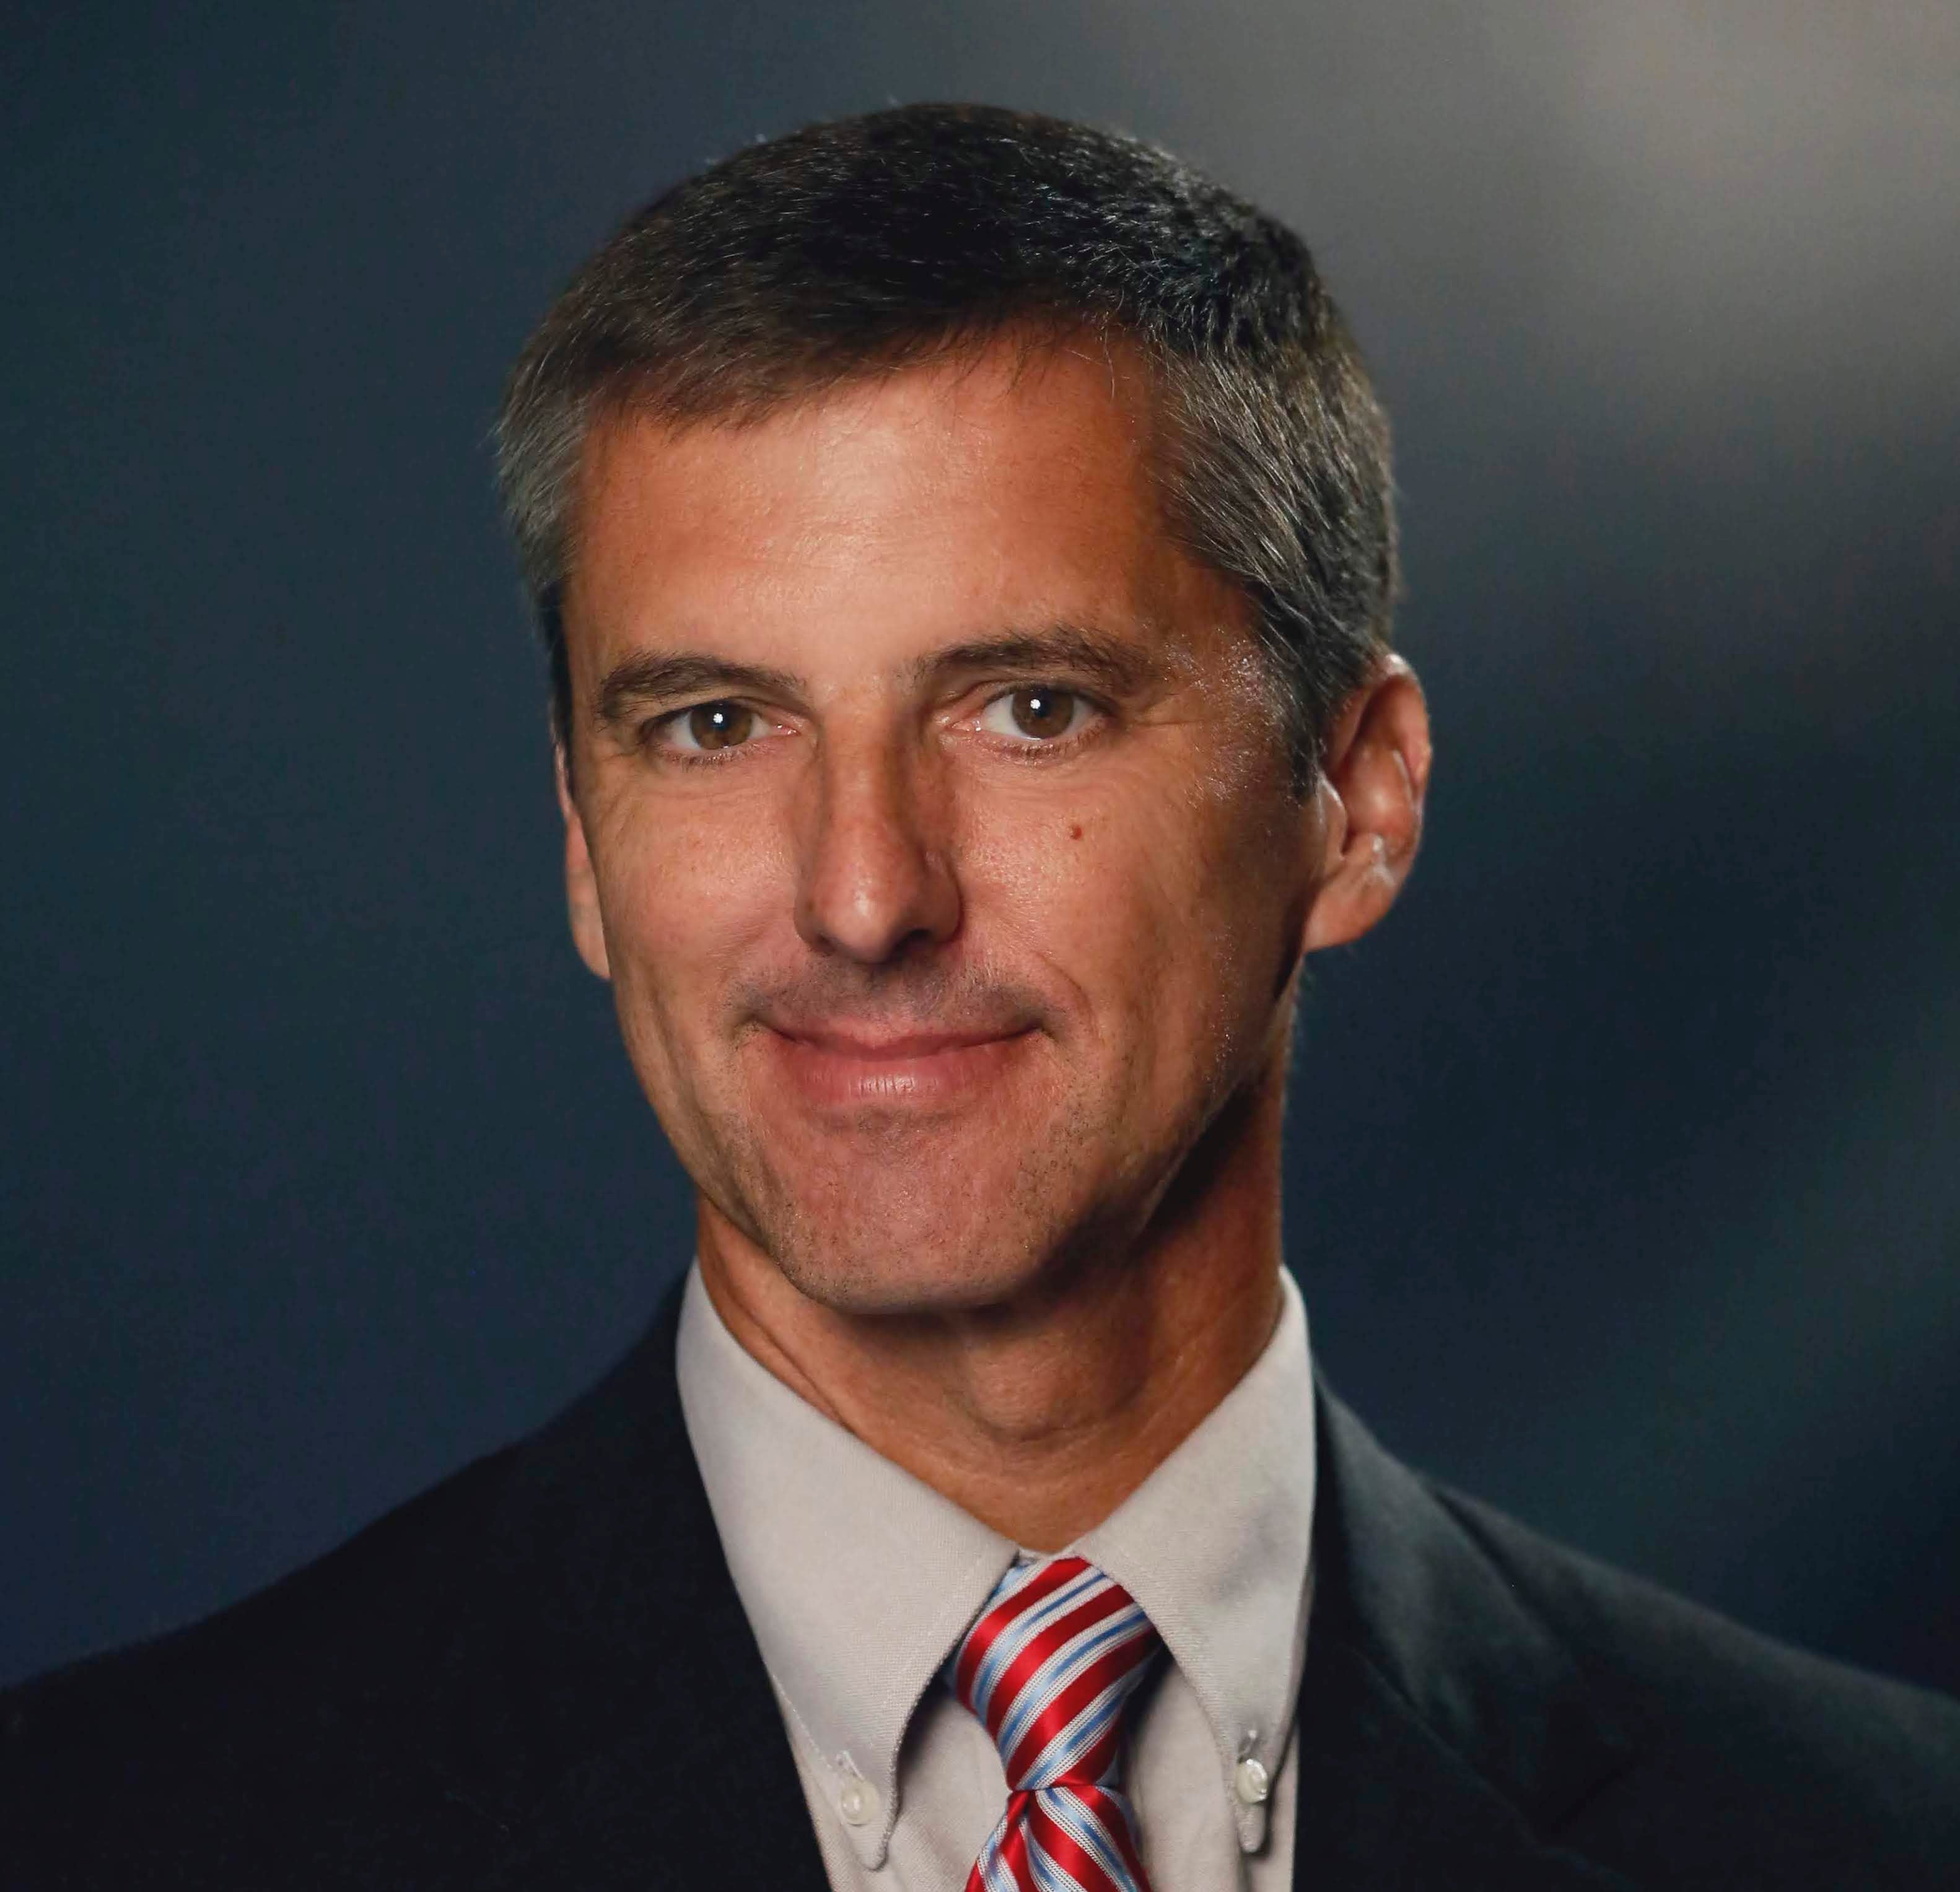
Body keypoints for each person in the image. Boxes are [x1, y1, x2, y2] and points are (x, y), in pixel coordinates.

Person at [2, 103, 1954, 1892]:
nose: (861, 896)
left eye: (1031, 710)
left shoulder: (1858, 1835)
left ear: (1352, 808)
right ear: (586, 847)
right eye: (710, 724)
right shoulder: (111, 1831)